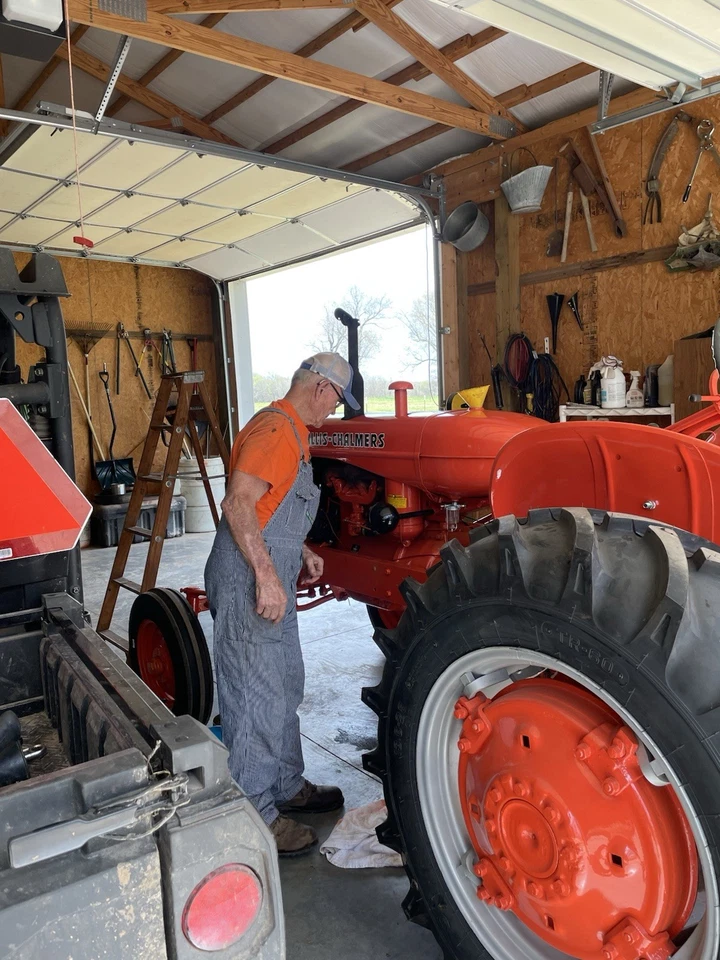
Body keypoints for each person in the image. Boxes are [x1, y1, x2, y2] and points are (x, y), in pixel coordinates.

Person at [205, 352, 361, 856]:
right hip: (247, 580)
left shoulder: (294, 432)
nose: (334, 410)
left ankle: (286, 784)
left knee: (284, 682)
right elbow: (238, 504)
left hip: (272, 571)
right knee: (253, 695)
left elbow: (268, 510)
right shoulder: (276, 432)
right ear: (320, 388)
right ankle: (257, 811)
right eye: (337, 399)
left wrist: (302, 550)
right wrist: (267, 576)